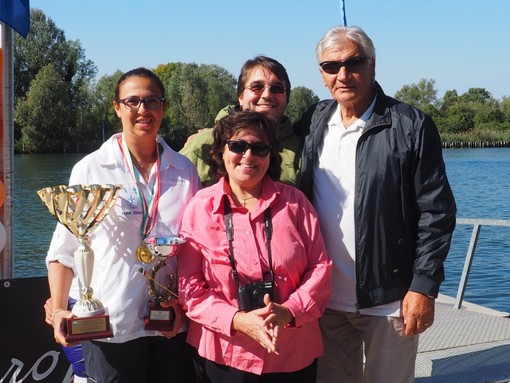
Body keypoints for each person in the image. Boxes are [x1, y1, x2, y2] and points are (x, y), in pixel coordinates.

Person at [297, 26, 457, 383]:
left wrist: (423, 286)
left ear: (372, 64)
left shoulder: (411, 124)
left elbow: (438, 213)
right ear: (321, 75)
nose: (343, 74)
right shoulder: (313, 122)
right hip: (326, 301)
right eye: (330, 66)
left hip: (392, 300)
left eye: (353, 62)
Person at [45, 67, 201, 383]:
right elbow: (65, 250)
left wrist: (184, 307)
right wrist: (60, 309)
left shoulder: (184, 169)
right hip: (110, 326)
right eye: (132, 102)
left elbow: (194, 249)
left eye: (152, 101)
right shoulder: (91, 169)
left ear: (164, 107)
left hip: (169, 323)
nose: (143, 110)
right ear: (117, 108)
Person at [178, 110, 332, 382]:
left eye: (259, 148)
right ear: (221, 152)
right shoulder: (199, 208)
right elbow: (190, 287)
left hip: (291, 351)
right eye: (238, 146)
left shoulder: (296, 203)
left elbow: (320, 267)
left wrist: (290, 311)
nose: (248, 156)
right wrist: (237, 320)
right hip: (223, 353)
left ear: (270, 155)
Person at [179, 55, 302, 187]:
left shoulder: (304, 150)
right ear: (240, 96)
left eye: (277, 88)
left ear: (287, 98)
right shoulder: (203, 143)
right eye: (257, 87)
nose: (267, 95)